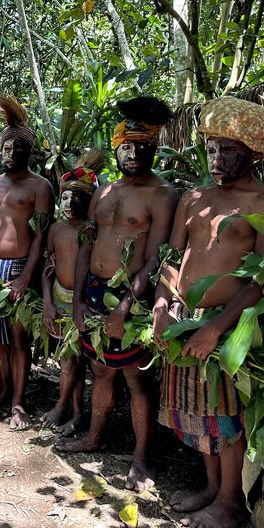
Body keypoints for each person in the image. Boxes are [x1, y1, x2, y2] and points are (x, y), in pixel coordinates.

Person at [153, 96, 264, 528]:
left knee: (227, 414)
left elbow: (262, 281)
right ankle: (212, 489)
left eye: (229, 150)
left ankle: (232, 502)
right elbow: (173, 256)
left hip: (233, 325)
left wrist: (217, 328)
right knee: (199, 411)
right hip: (185, 315)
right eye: (213, 149)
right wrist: (162, 306)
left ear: (253, 152)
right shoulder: (195, 198)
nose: (217, 158)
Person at [57, 96, 178, 491]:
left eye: (141, 147)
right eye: (125, 146)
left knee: (136, 378)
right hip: (93, 292)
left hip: (131, 296)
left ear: (153, 149)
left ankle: (142, 459)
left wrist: (126, 305)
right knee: (99, 369)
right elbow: (86, 246)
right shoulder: (103, 192)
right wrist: (76, 302)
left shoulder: (162, 195)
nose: (132, 153)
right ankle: (96, 434)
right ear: (116, 147)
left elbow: (157, 257)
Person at [0, 95, 54, 429]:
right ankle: (4, 389)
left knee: (18, 338)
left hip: (18, 267)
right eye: (6, 149)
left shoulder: (40, 187)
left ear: (28, 152)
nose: (11, 154)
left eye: (17, 149)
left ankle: (19, 402)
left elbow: (40, 236)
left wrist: (24, 279)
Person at [40, 151, 103, 435]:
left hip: (83, 303)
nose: (69, 203)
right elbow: (47, 269)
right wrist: (47, 302)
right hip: (59, 299)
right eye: (64, 197)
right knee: (71, 359)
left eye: (76, 197)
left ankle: (64, 406)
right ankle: (75, 412)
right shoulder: (54, 230)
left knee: (73, 360)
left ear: (89, 201)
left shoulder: (93, 232)